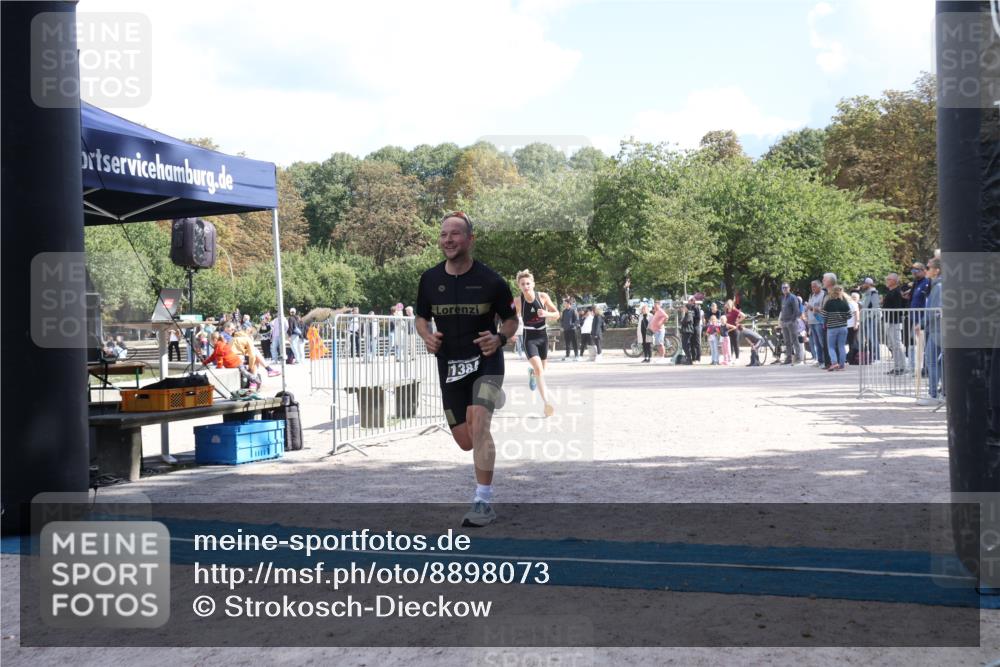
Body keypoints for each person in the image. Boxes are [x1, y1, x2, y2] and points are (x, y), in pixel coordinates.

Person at [415, 212, 518, 528]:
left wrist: (500, 338)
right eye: (443, 234)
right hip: (450, 365)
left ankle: (483, 501)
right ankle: (486, 402)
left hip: (486, 360)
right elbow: (421, 317)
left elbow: (512, 320)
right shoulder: (429, 279)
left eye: (455, 234)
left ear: (470, 239)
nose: (448, 240)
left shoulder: (491, 280)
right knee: (465, 440)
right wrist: (427, 336)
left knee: (479, 423)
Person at [514, 269, 560, 416]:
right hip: (529, 338)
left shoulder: (543, 297)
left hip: (542, 336)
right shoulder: (518, 301)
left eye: (528, 283)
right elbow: (511, 319)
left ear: (533, 284)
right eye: (522, 284)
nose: (526, 286)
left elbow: (557, 314)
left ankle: (532, 374)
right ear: (519, 286)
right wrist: (512, 332)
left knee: (541, 371)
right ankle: (547, 404)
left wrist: (546, 313)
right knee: (540, 370)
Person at [918, 258, 945, 405]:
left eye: (928, 268)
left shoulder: (939, 286)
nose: (925, 270)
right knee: (938, 363)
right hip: (936, 329)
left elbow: (935, 310)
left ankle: (934, 394)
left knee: (932, 362)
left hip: (937, 330)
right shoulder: (936, 285)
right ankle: (940, 393)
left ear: (936, 270)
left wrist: (921, 323)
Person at [882, 273, 907, 375]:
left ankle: (901, 367)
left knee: (897, 344)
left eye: (888, 279)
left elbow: (898, 307)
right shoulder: (891, 291)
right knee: (892, 344)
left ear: (894, 281)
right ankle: (897, 366)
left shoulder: (897, 291)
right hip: (889, 320)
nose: (886, 281)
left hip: (895, 321)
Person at [822, 286, 851, 371]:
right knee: (841, 346)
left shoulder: (828, 303)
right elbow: (849, 315)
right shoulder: (844, 303)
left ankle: (834, 363)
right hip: (843, 327)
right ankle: (842, 365)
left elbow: (824, 315)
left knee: (831, 346)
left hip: (832, 327)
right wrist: (842, 318)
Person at [779, 283, 804, 365]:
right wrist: (781, 320)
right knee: (787, 341)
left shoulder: (793, 297)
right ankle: (788, 358)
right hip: (784, 322)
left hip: (791, 322)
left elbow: (796, 310)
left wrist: (792, 321)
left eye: (786, 287)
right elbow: (783, 310)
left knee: (795, 340)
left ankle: (798, 358)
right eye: (783, 288)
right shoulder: (783, 298)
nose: (784, 289)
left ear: (789, 288)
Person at [805, 280, 826, 368]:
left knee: (822, 342)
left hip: (819, 321)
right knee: (816, 343)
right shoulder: (812, 295)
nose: (812, 288)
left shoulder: (823, 295)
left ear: (819, 286)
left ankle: (825, 361)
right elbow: (810, 308)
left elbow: (823, 308)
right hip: (812, 322)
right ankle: (819, 360)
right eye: (812, 287)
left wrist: (812, 308)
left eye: (814, 286)